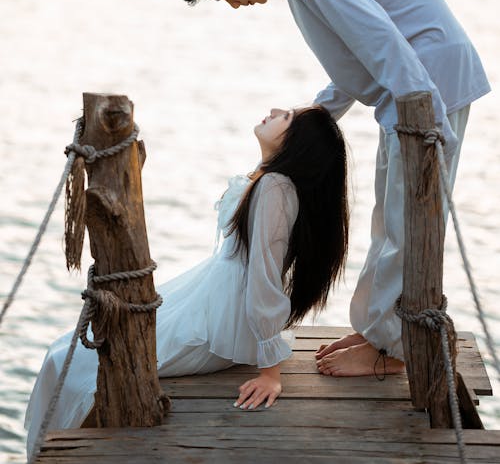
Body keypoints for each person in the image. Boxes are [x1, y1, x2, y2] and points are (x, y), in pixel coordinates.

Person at [172, 0, 491, 377]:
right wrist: (313, 119)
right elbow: (356, 59)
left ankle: (393, 349)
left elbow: (385, 46)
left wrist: (431, 125)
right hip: (413, 90)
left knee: (406, 222)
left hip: (426, 90)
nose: (235, 5)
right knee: (389, 219)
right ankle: (377, 332)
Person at [26, 105, 349, 456]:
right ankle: (46, 447)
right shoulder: (268, 179)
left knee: (74, 363)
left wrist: (270, 371)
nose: (274, 110)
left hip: (219, 323)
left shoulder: (275, 188)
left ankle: (51, 451)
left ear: (297, 143)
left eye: (286, 116)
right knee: (65, 350)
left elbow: (264, 278)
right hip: (210, 299)